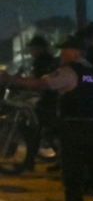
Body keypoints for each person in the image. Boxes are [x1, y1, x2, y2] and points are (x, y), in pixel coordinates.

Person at [1, 34, 93, 201]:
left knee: (72, 180)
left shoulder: (68, 71)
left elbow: (43, 84)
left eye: (65, 50)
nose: (62, 54)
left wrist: (11, 79)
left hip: (73, 131)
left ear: (76, 52)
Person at [21, 35, 60, 172]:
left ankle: (29, 162)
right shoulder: (46, 59)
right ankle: (61, 160)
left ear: (38, 48)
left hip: (47, 101)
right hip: (50, 101)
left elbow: (38, 81)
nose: (31, 51)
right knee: (49, 132)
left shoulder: (41, 61)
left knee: (34, 131)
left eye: (32, 48)